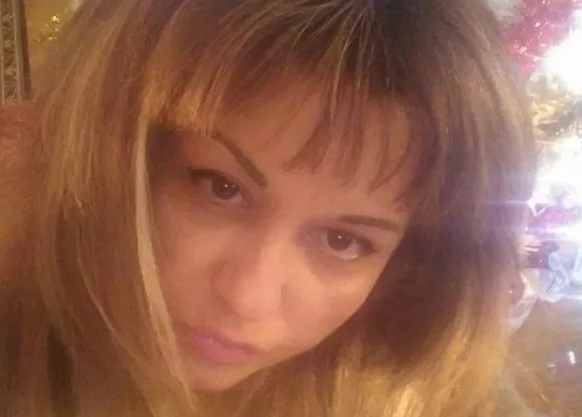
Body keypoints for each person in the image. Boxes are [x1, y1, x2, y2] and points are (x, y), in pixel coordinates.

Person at [0, 0, 537, 416]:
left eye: (343, 241)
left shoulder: (440, 392)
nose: (247, 298)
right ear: (110, 153)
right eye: (220, 188)